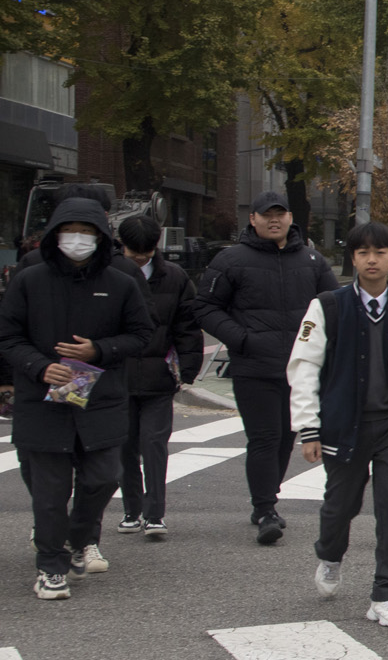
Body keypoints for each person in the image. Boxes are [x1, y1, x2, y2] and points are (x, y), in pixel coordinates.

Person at [1, 197, 153, 599]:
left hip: (101, 397)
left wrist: (98, 351)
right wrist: (37, 366)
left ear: (102, 239)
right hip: (42, 399)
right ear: (54, 235)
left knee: (103, 477)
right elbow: (7, 337)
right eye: (71, 232)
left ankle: (77, 537)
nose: (78, 241)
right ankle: (51, 566)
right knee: (49, 490)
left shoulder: (120, 281)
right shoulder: (28, 279)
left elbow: (142, 335)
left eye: (88, 234)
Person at [289, 222, 388, 627]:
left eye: (381, 252)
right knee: (341, 506)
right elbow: (304, 368)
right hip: (342, 425)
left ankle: (386, 593)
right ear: (352, 258)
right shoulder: (328, 307)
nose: (372, 260)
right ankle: (330, 554)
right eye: (364, 252)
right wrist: (309, 428)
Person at [193, 190, 338, 545]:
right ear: (253, 219)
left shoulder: (313, 261)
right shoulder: (230, 260)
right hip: (253, 366)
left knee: (286, 439)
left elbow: (334, 307)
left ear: (291, 218)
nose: (274, 220)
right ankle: (266, 508)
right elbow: (205, 308)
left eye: (281, 214)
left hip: (300, 369)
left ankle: (265, 501)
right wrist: (241, 339)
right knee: (264, 437)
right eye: (266, 214)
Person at [115, 214, 203, 541]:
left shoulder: (174, 277)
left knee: (153, 444)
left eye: (147, 250)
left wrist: (189, 368)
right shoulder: (109, 274)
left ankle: (155, 514)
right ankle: (131, 509)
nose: (140, 257)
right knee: (124, 446)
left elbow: (187, 326)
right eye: (133, 251)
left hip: (158, 377)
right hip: (118, 377)